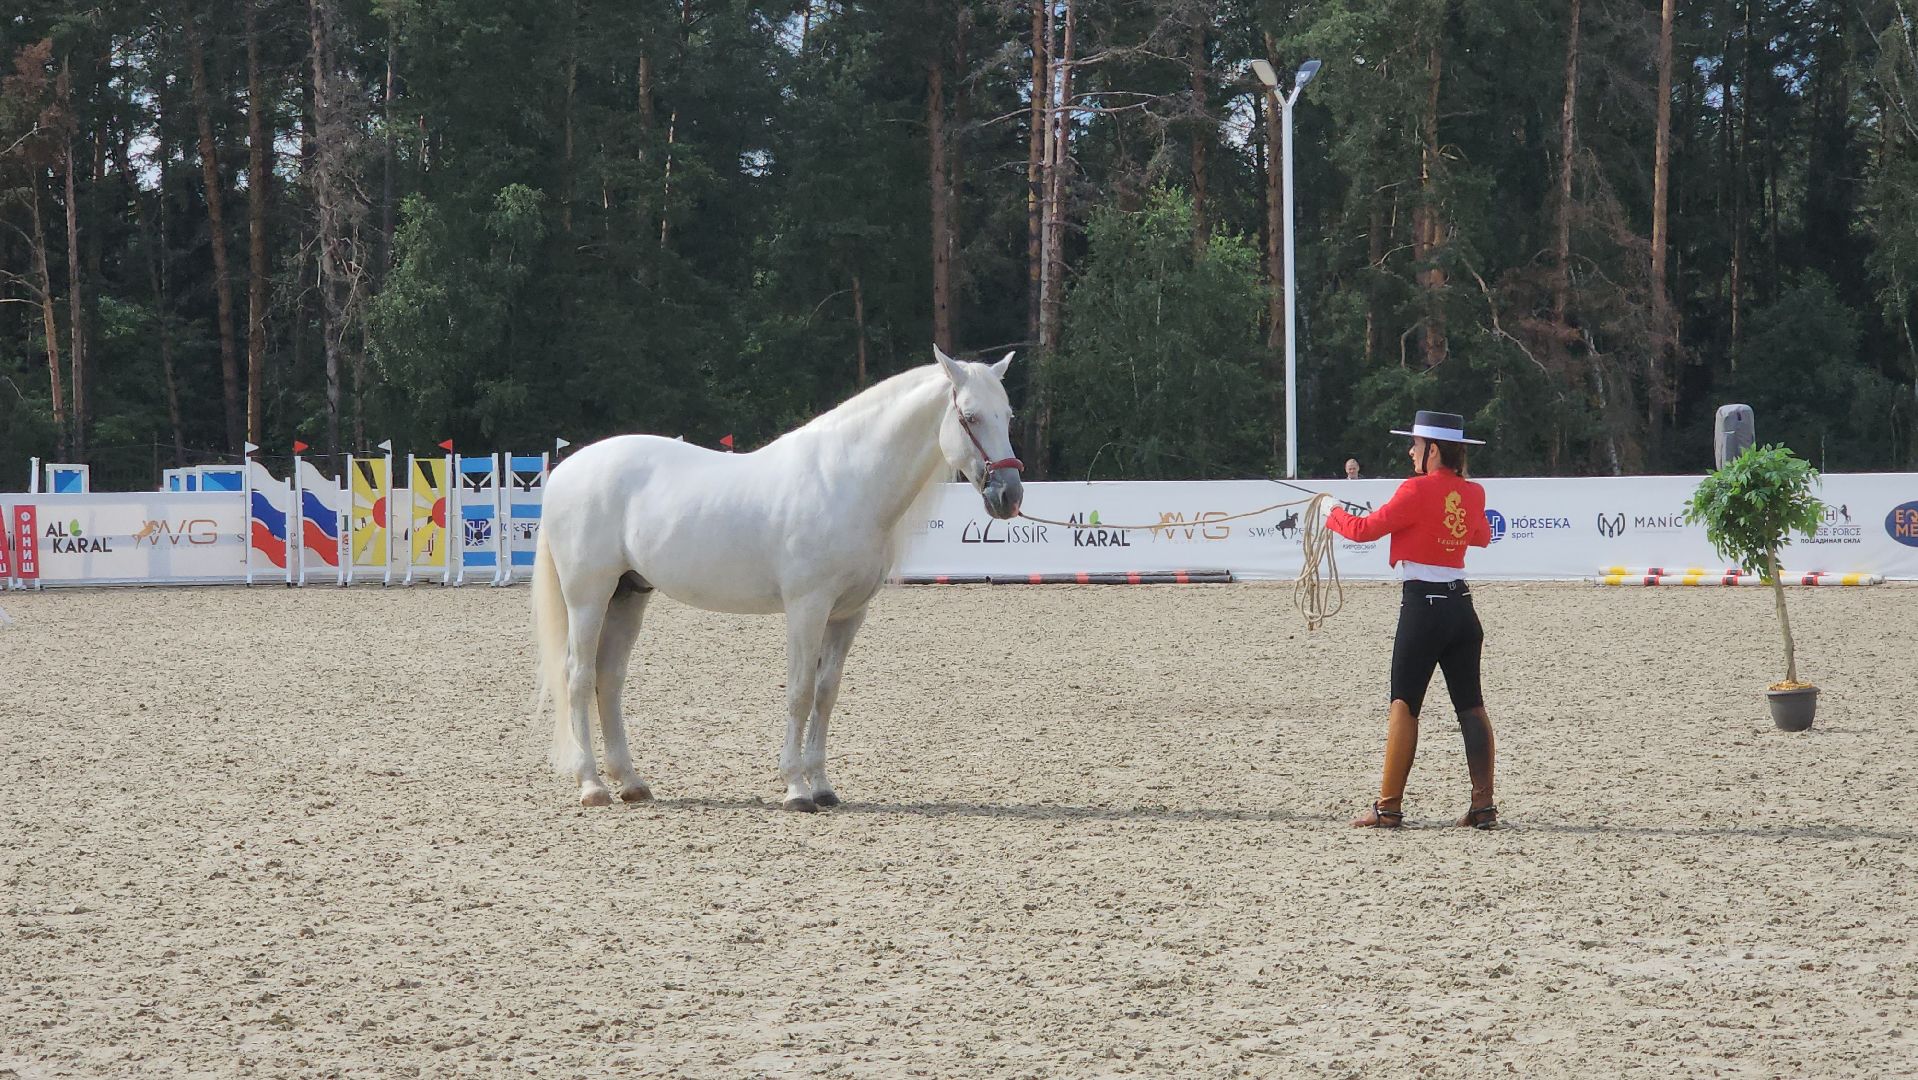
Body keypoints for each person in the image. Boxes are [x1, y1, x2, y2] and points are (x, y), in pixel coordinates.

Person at [1321, 410, 1497, 830]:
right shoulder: (1474, 493)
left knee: (1404, 702)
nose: (1411, 451)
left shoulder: (1414, 490)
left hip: (1423, 607)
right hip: (1462, 608)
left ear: (1433, 451)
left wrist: (1332, 511)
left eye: (1416, 446)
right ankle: (1483, 805)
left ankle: (1389, 806)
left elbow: (1364, 530)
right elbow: (1481, 536)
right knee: (1471, 705)